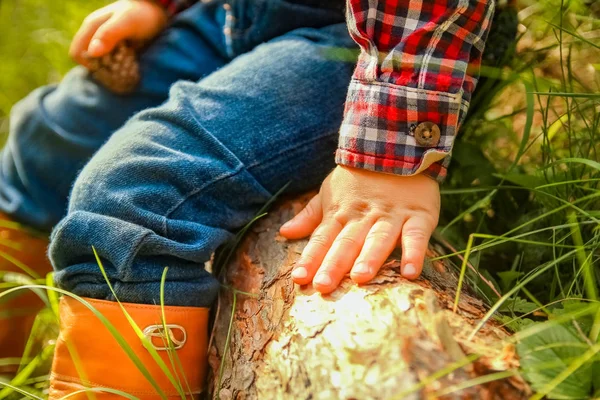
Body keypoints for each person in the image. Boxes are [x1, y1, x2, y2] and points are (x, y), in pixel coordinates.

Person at [0, 0, 494, 397]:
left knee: (135, 195)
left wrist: (391, 150)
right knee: (41, 142)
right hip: (231, 13)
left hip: (386, 41)